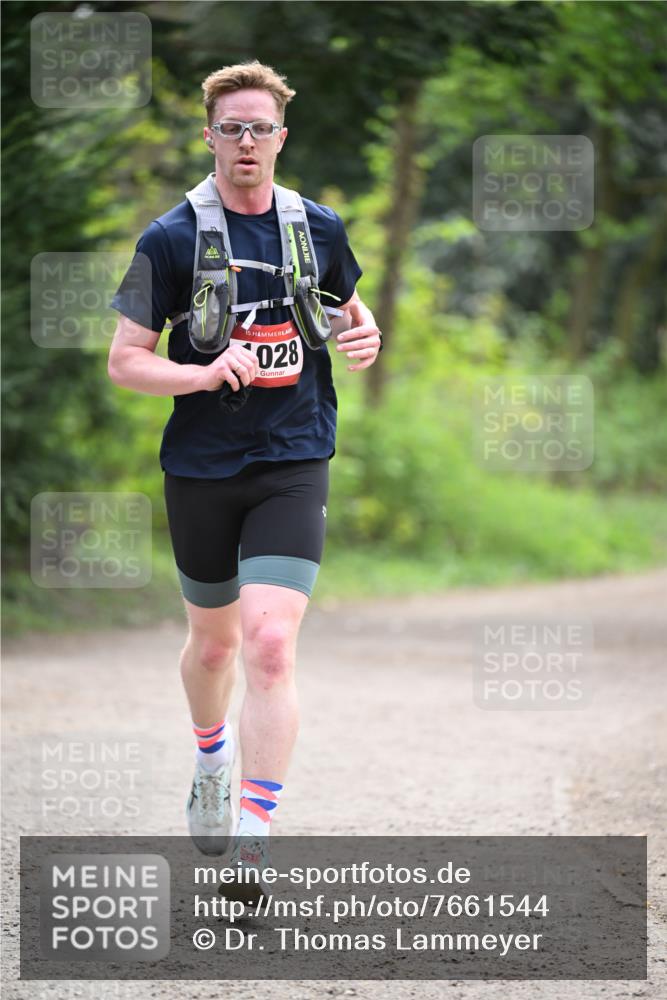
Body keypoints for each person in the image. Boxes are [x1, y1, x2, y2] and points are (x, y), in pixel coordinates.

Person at [107, 61, 381, 876]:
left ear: (281, 137)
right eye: (232, 128)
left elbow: (351, 315)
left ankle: (254, 837)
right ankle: (209, 758)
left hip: (294, 455)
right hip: (202, 463)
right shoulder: (168, 238)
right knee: (216, 647)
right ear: (210, 137)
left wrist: (366, 338)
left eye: (261, 127)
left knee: (267, 644)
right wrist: (198, 372)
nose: (247, 141)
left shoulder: (318, 229)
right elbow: (125, 362)